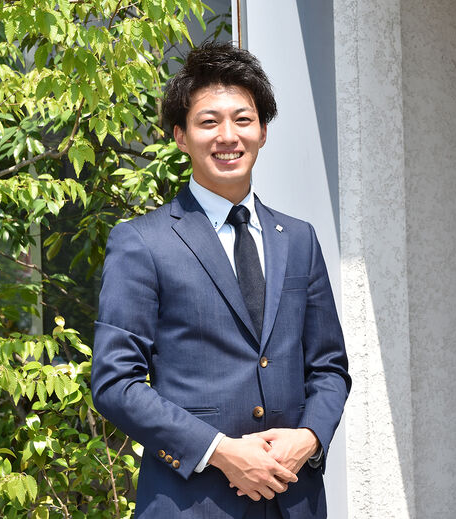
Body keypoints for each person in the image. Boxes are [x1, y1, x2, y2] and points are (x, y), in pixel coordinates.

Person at [91, 41, 351, 519]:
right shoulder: (142, 242)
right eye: (209, 122)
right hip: (193, 503)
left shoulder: (299, 239)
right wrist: (221, 451)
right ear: (181, 136)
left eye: (243, 120)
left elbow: (329, 366)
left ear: (263, 132)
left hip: (295, 500)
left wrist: (309, 436)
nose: (228, 136)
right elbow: (115, 383)